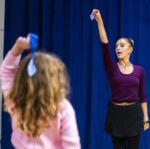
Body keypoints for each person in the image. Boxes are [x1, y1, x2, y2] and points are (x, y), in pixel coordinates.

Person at [0, 35, 81, 149]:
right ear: (54, 81)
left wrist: (18, 48)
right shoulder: (63, 108)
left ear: (21, 79)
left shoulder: (15, 101)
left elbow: (6, 71)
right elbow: (72, 146)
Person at [91, 9, 149, 149]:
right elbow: (104, 44)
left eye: (122, 45)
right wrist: (100, 22)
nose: (118, 48)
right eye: (116, 46)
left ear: (130, 49)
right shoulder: (111, 68)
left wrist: (146, 118)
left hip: (134, 115)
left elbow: (143, 96)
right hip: (116, 115)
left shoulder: (140, 71)